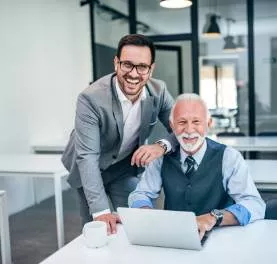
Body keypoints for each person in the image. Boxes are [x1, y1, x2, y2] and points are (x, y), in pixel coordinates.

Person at [61, 34, 176, 234]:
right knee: (97, 230)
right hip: (88, 166)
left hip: (123, 167)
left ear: (151, 69)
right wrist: (101, 211)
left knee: (137, 222)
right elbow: (87, 157)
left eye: (142, 67)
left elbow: (181, 130)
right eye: (127, 65)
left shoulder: (159, 91)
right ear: (116, 63)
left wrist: (161, 146)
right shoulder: (91, 99)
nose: (134, 74)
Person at [128, 93, 265, 239]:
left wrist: (214, 217)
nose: (189, 130)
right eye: (181, 122)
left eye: (196, 122)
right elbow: (140, 194)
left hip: (222, 237)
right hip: (175, 238)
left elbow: (254, 204)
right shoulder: (161, 159)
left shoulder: (229, 157)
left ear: (209, 124)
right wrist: (145, 211)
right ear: (172, 126)